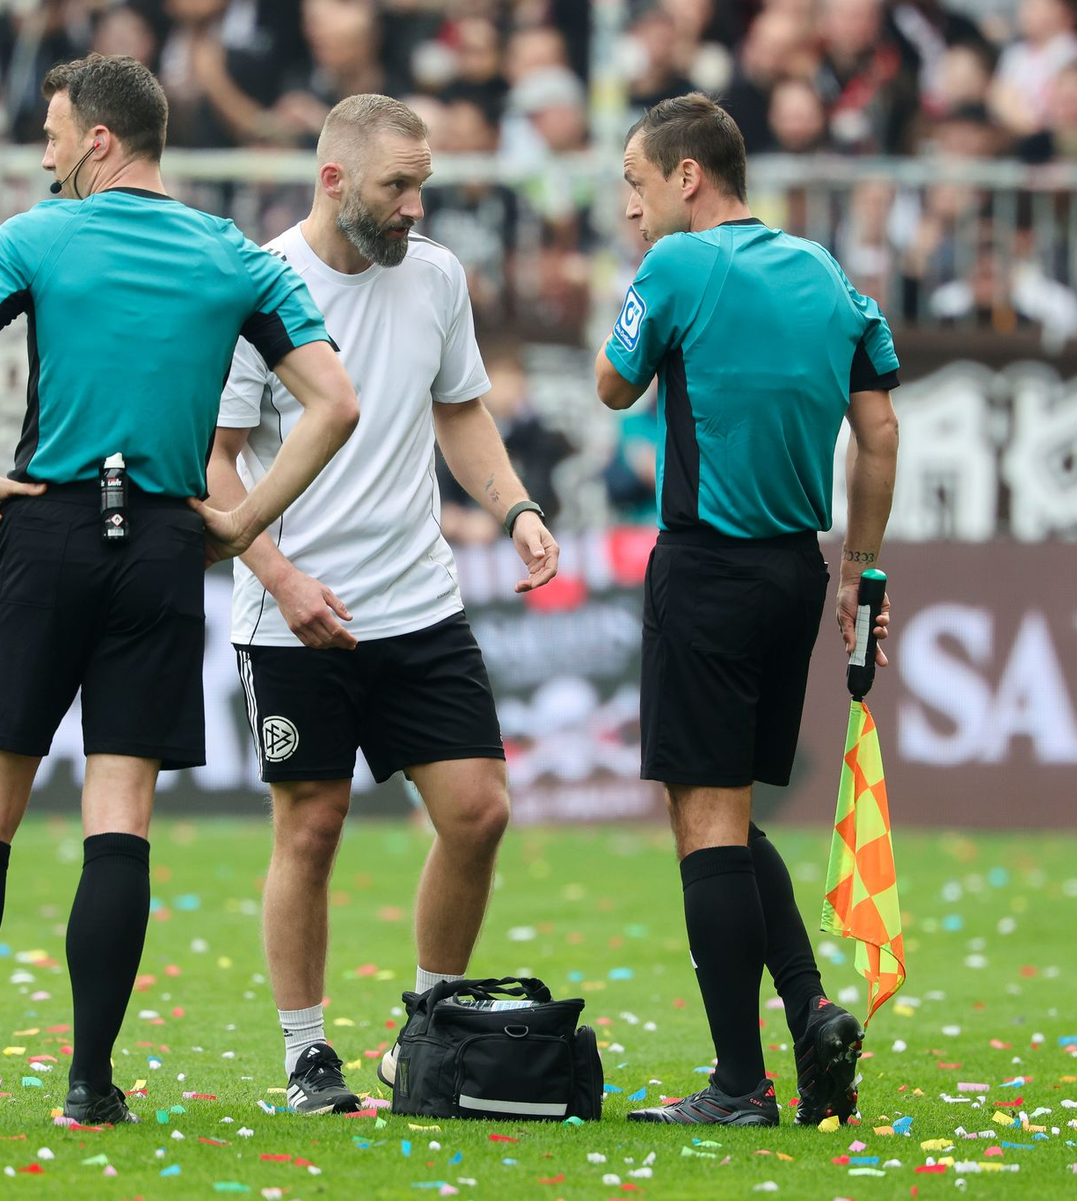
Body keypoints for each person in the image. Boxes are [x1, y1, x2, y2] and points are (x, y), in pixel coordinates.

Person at [0, 53, 359, 1126]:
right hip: (161, 546)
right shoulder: (232, 257)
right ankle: (90, 1084)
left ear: (101, 139)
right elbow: (334, 402)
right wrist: (244, 522)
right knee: (121, 818)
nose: (49, 155)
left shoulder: (36, 236)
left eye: (57, 134)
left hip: (46, 528)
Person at [206, 93, 560, 1115]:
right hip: (293, 611)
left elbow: (461, 414)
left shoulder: (438, 275)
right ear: (335, 181)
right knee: (311, 828)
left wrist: (516, 508)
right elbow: (216, 464)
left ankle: (431, 1030)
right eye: (397, 186)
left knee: (480, 811)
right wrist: (282, 578)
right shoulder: (260, 287)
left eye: (423, 186)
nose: (415, 206)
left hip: (419, 601)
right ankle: (308, 1056)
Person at [594, 93, 899, 1127]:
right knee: (729, 812)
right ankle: (811, 1008)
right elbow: (880, 428)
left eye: (637, 183)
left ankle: (738, 1084)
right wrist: (863, 570)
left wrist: (640, 302)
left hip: (708, 568)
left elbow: (609, 386)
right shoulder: (823, 271)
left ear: (688, 176)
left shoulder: (679, 266)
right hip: (798, 574)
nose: (632, 210)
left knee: (706, 821)